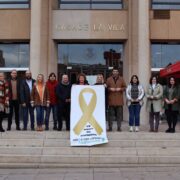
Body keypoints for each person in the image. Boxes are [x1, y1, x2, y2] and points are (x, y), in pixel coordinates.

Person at [106, 67, 126, 131]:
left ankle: (119, 127)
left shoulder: (121, 79)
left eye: (116, 71)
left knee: (119, 116)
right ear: (112, 72)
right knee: (110, 116)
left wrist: (120, 89)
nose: (115, 72)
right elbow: (106, 88)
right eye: (114, 71)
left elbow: (125, 87)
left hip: (119, 100)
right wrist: (109, 89)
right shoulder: (108, 79)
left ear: (118, 72)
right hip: (111, 100)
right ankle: (110, 127)